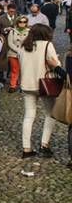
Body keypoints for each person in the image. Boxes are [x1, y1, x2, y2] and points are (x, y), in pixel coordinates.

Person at [18, 24, 62, 158]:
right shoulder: (47, 45)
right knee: (50, 114)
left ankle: (26, 148)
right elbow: (55, 64)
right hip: (44, 84)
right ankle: (44, 144)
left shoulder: (23, 46)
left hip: (27, 84)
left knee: (29, 116)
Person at [6, 16, 29, 92]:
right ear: (17, 22)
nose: (22, 23)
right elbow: (10, 43)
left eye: (24, 22)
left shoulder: (29, 31)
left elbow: (31, 42)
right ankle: (13, 85)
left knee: (24, 70)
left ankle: (23, 85)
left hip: (25, 53)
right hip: (13, 54)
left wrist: (23, 50)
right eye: (20, 22)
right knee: (14, 70)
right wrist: (18, 50)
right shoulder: (12, 31)